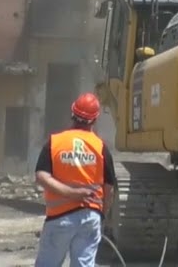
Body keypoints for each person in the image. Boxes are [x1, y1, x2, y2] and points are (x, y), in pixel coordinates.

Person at [33, 92, 117, 267]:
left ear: (72, 113)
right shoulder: (101, 147)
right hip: (90, 217)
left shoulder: (55, 142)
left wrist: (71, 193)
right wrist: (101, 213)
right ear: (95, 119)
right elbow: (109, 188)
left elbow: (41, 176)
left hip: (60, 218)